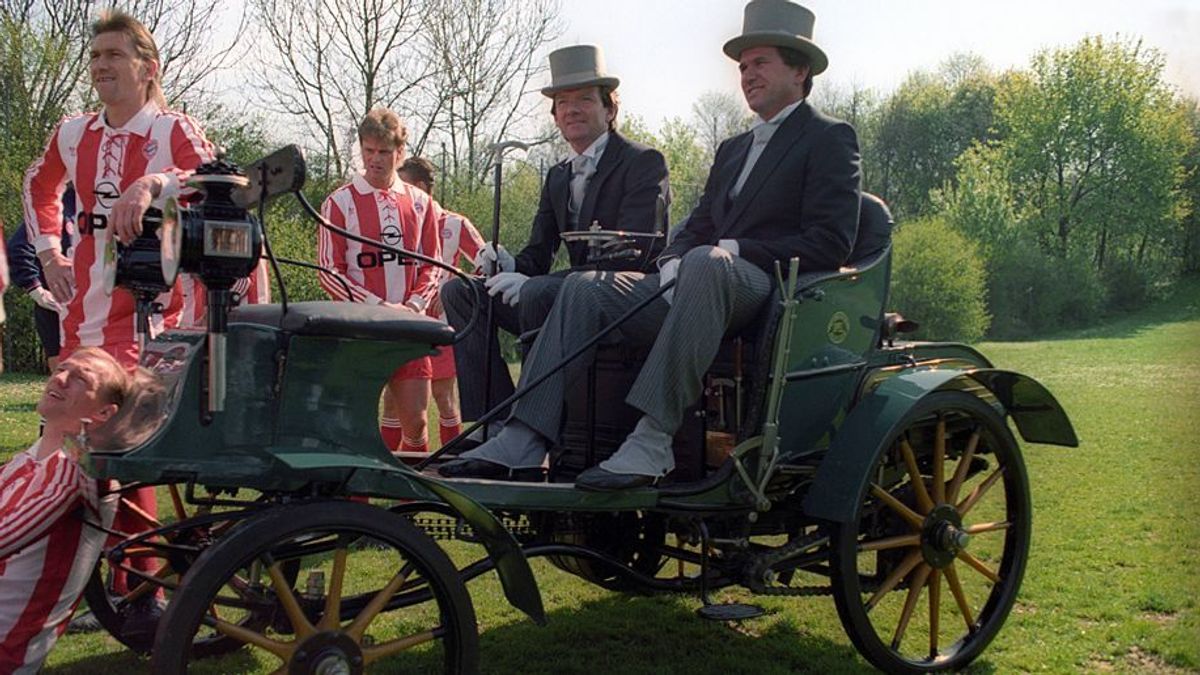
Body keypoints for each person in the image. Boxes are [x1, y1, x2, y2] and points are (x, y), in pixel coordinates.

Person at [441, 0, 862, 490]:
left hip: (770, 289)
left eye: (760, 62)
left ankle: (653, 437)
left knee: (707, 259)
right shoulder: (733, 148)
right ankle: (525, 434)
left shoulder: (829, 137)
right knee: (587, 286)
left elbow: (831, 242)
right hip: (701, 282)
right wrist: (672, 259)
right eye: (743, 66)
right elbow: (696, 223)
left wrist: (731, 250)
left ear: (800, 68)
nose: (747, 74)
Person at [21, 9, 216, 612]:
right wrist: (49, 252)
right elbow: (38, 186)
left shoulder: (172, 129)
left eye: (114, 56)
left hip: (153, 322)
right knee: (72, 443)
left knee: (122, 451)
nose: (101, 66)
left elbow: (216, 180)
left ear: (147, 67)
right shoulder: (74, 131)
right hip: (84, 317)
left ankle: (139, 586)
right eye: (96, 56)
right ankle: (77, 578)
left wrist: (155, 184)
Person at [440, 44, 670, 439]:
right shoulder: (558, 175)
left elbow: (635, 255)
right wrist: (510, 265)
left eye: (584, 99)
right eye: (562, 102)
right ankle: (491, 423)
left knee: (537, 294)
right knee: (461, 293)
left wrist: (533, 284)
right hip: (559, 293)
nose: (571, 109)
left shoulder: (643, 161)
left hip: (627, 301)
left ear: (609, 110)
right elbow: (538, 255)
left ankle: (531, 431)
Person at [0, 348, 155, 673]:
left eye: (80, 378)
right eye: (63, 369)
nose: (59, 377)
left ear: (103, 413)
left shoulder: (77, 473)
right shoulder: (31, 459)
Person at [317, 109, 443, 454]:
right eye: (368, 150)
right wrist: (376, 308)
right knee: (355, 424)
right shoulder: (339, 203)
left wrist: (414, 306)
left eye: (383, 152)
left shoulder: (422, 204)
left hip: (409, 328)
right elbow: (329, 270)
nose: (375, 159)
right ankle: (354, 506)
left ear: (399, 153)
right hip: (359, 332)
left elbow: (435, 266)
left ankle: (410, 505)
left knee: (416, 422)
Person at [394, 157, 485, 449]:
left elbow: (487, 266)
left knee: (443, 398)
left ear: (420, 187)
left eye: (403, 185)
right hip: (405, 323)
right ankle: (391, 472)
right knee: (394, 402)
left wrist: (451, 297)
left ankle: (448, 462)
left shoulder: (455, 224)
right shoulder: (398, 225)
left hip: (441, 328)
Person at [4, 188, 76, 371]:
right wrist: (36, 290)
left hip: (103, 309)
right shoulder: (58, 206)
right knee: (65, 379)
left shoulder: (109, 203)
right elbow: (18, 248)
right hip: (59, 308)